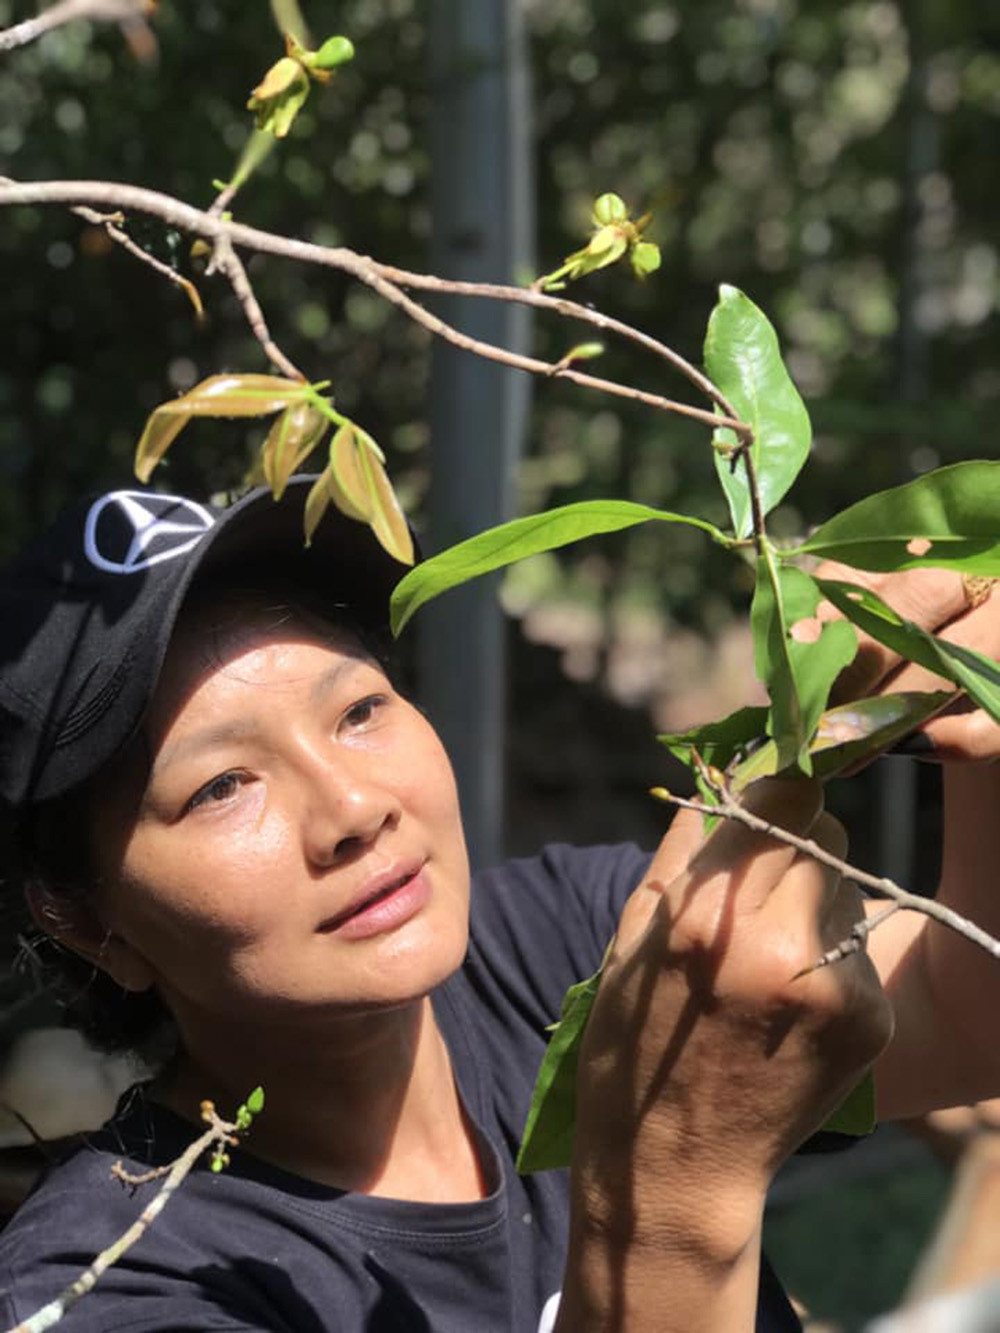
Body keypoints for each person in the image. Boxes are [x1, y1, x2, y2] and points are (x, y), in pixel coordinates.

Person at [0, 477, 996, 1333]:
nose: (354, 808)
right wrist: (675, 1194)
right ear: (82, 919)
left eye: (360, 709)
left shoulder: (558, 945)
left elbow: (967, 1011)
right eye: (221, 785)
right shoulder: (112, 1289)